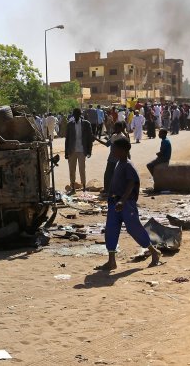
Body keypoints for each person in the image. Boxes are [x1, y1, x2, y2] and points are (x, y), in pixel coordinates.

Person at [97, 138, 161, 271]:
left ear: (123, 150)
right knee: (111, 230)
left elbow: (132, 183)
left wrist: (123, 200)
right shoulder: (119, 163)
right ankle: (111, 261)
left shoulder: (128, 165)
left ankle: (154, 252)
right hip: (114, 203)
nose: (113, 151)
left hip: (125, 204)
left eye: (115, 149)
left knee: (134, 228)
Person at [64, 108, 93, 193]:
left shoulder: (86, 124)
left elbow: (89, 138)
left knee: (82, 169)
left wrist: (89, 151)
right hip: (72, 150)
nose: (76, 115)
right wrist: (66, 152)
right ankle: (72, 186)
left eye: (78, 113)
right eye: (75, 114)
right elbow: (67, 139)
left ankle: (83, 186)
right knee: (72, 169)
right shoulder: (70, 124)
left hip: (82, 150)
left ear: (80, 114)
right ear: (73, 114)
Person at [99, 122, 127, 196]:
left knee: (117, 176)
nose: (115, 129)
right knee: (107, 174)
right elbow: (107, 144)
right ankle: (106, 189)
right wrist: (95, 139)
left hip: (118, 159)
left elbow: (125, 150)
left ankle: (114, 191)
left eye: (116, 127)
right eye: (115, 127)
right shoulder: (114, 136)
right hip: (111, 158)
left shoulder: (123, 137)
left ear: (121, 128)